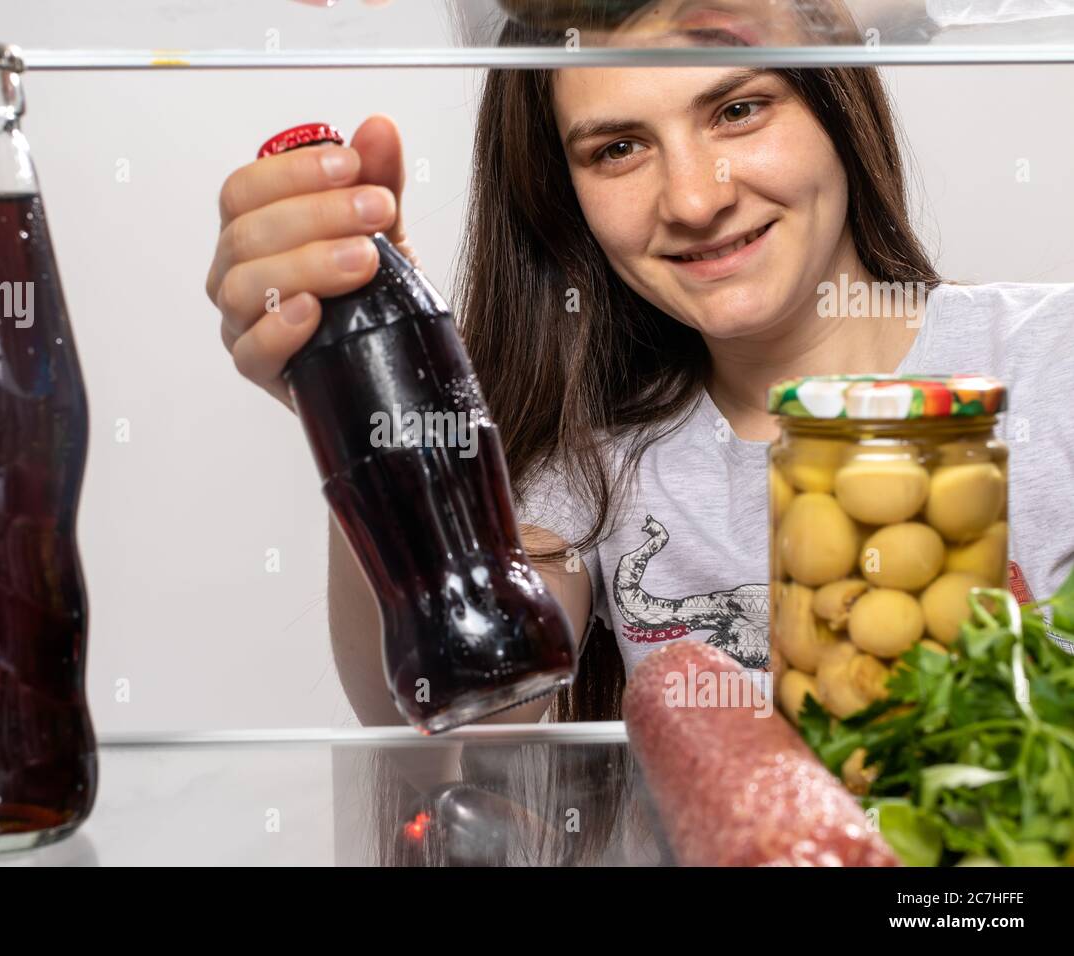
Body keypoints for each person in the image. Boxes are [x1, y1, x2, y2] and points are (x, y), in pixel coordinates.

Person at [206, 0, 1074, 731]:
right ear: (564, 193)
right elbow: (448, 712)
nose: (696, 199)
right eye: (617, 148)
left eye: (738, 109)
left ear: (835, 101)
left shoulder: (1052, 357)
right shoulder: (592, 461)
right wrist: (367, 382)